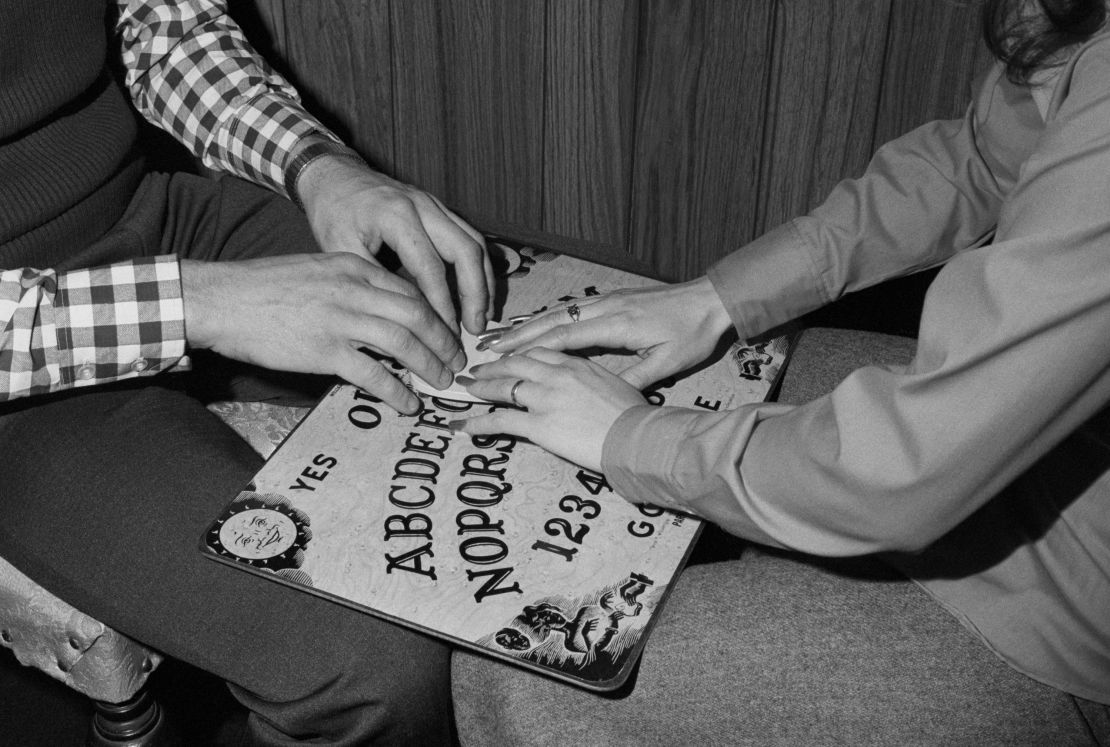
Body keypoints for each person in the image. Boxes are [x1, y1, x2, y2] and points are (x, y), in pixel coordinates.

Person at [453, 0, 1110, 740]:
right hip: (1020, 453)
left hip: (1069, 607)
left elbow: (901, 472)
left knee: (520, 673)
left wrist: (632, 438)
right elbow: (985, 159)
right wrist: (718, 300)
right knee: (715, 384)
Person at [1, 0, 493, 743]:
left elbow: (165, 32)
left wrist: (316, 166)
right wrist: (200, 304)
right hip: (16, 377)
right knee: (370, 665)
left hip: (145, 217)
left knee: (491, 359)